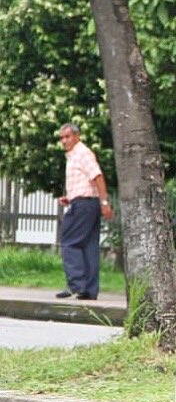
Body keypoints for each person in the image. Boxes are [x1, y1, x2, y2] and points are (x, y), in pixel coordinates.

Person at [55, 123, 114, 301]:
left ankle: (76, 285)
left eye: (67, 136)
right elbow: (86, 182)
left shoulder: (82, 153)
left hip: (85, 204)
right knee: (88, 245)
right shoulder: (74, 156)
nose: (64, 141)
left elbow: (97, 177)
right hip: (85, 201)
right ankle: (89, 290)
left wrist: (104, 202)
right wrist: (70, 197)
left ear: (77, 136)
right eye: (62, 138)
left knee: (69, 242)